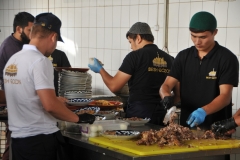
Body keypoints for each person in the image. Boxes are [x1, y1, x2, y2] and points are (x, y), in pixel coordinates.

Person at [3, 12, 95, 160]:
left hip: (19, 141)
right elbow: (50, 106)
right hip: (39, 141)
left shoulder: (14, 60)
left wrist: (54, 100)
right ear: (53, 37)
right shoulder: (40, 61)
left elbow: (26, 95)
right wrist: (78, 118)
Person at [159, 11, 239, 130]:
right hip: (186, 128)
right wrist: (166, 96)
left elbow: (225, 96)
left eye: (203, 37)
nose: (197, 42)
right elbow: (166, 85)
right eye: (193, 36)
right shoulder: (183, 57)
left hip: (217, 128)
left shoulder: (226, 58)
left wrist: (203, 111)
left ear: (215, 33)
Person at [88, 22, 178, 125]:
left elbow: (114, 86)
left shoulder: (134, 56)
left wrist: (100, 70)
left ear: (138, 38)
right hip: (162, 115)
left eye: (130, 42)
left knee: (139, 140)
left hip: (139, 115)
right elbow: (178, 94)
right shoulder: (171, 59)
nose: (131, 47)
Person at [0, 11, 35, 160]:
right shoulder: (10, 47)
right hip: (13, 100)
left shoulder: (24, 45)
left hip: (22, 100)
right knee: (13, 143)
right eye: (29, 30)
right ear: (19, 29)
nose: (32, 34)